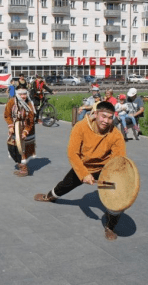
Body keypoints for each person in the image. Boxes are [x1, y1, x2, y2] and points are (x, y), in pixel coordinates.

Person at [34, 101, 126, 241]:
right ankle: (50, 196)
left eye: (110, 117)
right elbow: (72, 153)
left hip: (105, 168)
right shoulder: (81, 126)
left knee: (118, 196)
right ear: (95, 114)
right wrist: (84, 174)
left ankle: (110, 227)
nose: (106, 121)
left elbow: (118, 160)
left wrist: (115, 179)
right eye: (103, 116)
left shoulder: (116, 134)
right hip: (83, 165)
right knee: (65, 184)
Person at [4, 85, 36, 177]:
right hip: (14, 128)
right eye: (21, 94)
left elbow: (31, 119)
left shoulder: (29, 104)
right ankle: (20, 164)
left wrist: (25, 131)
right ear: (17, 94)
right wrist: (10, 126)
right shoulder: (11, 102)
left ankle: (24, 169)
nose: (23, 96)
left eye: (25, 94)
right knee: (11, 147)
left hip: (27, 128)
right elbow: (7, 114)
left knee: (23, 150)